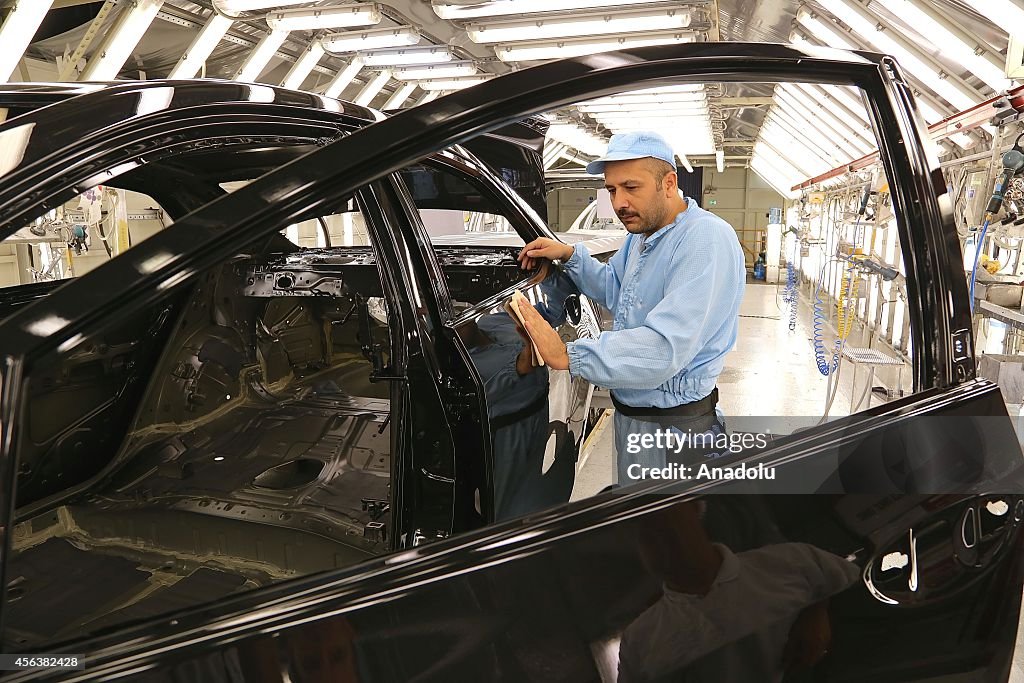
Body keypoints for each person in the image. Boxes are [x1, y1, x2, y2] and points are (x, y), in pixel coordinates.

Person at [515, 130, 745, 484]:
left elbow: (663, 350)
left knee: (670, 534)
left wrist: (569, 354)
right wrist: (570, 256)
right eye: (611, 190)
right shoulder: (642, 238)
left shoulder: (704, 240)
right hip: (637, 420)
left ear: (668, 184)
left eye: (631, 187)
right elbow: (616, 290)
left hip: (676, 430)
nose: (619, 202)